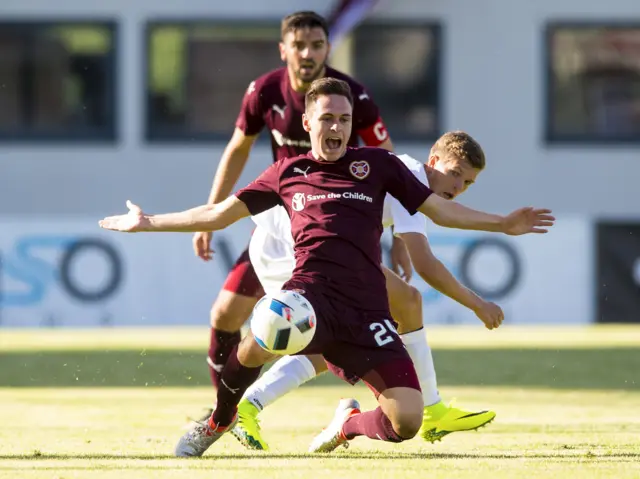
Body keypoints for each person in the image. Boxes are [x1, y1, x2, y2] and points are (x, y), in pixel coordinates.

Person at [99, 78, 554, 456]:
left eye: (344, 119)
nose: (336, 127)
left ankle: (350, 425)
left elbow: (440, 211)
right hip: (309, 298)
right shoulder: (286, 173)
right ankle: (219, 420)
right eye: (327, 118)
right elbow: (218, 213)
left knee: (408, 422)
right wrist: (149, 222)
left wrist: (503, 223)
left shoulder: (380, 165)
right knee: (265, 330)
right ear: (308, 122)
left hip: (367, 313)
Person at [230, 132, 501, 451]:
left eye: (467, 183)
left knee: (397, 307)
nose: (457, 188)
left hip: (306, 245)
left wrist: (398, 244)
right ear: (433, 161)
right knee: (347, 326)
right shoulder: (411, 175)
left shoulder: (411, 176)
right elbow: (425, 263)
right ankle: (244, 407)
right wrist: (477, 304)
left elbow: (388, 216)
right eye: (454, 173)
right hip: (291, 246)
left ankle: (431, 409)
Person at [195, 10, 405, 395]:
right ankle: (226, 406)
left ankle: (414, 398)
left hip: (336, 226)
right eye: (299, 45)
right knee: (224, 314)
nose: (308, 53)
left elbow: (389, 165)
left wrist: (403, 236)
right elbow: (238, 148)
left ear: (328, 47)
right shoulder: (264, 91)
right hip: (282, 224)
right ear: (283, 50)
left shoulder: (350, 95)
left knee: (378, 315)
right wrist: (213, 210)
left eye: (317, 45)